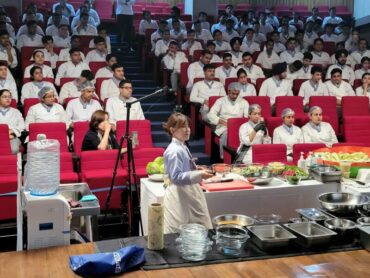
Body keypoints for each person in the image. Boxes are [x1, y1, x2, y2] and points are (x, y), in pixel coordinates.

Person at [162, 112, 213, 234]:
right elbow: (176, 177)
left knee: (191, 227)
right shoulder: (175, 150)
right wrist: (199, 175)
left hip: (186, 191)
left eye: (188, 126)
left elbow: (183, 170)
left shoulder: (181, 146)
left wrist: (196, 168)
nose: (187, 130)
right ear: (172, 129)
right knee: (181, 229)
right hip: (181, 192)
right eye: (182, 127)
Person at [208, 82, 249, 159]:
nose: (235, 96)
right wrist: (223, 122)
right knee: (227, 133)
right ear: (228, 91)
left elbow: (247, 117)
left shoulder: (244, 102)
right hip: (224, 125)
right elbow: (211, 114)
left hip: (238, 125)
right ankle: (223, 157)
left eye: (237, 94)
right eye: (233, 94)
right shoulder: (220, 101)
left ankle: (244, 156)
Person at [0, 89, 25, 154]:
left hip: (12, 137)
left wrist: (13, 132)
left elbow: (22, 126)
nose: (8, 99)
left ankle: (12, 163)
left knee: (13, 149)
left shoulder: (16, 112)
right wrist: (4, 134)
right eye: (4, 97)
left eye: (9, 97)